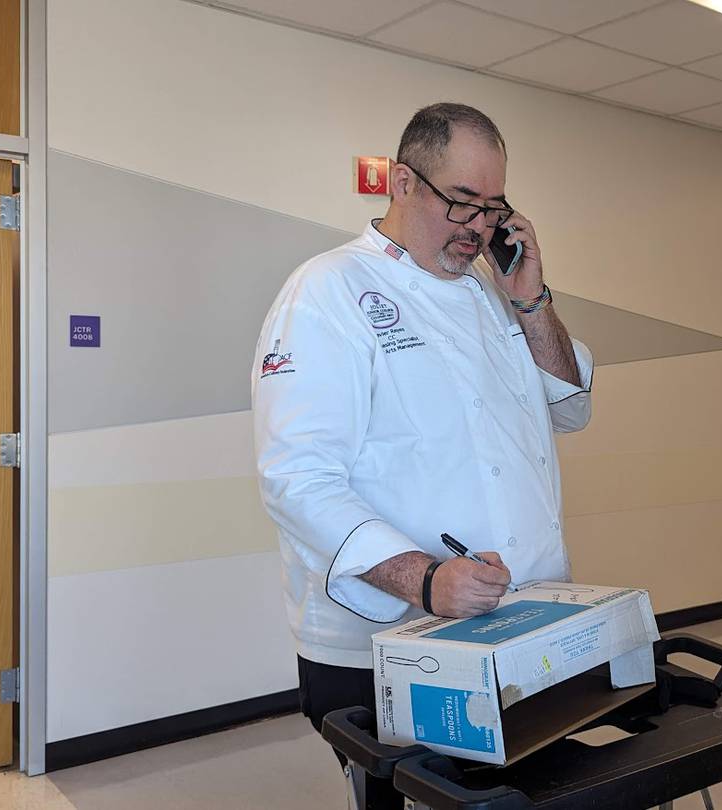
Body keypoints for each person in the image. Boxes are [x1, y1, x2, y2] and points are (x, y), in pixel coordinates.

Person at [251, 103, 594, 741]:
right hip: (389, 640)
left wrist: (531, 301)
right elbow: (297, 478)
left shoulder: (493, 296)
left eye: (494, 206)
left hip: (521, 622)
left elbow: (571, 405)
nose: (479, 226)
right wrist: (425, 579)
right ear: (402, 183)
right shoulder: (327, 290)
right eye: (462, 200)